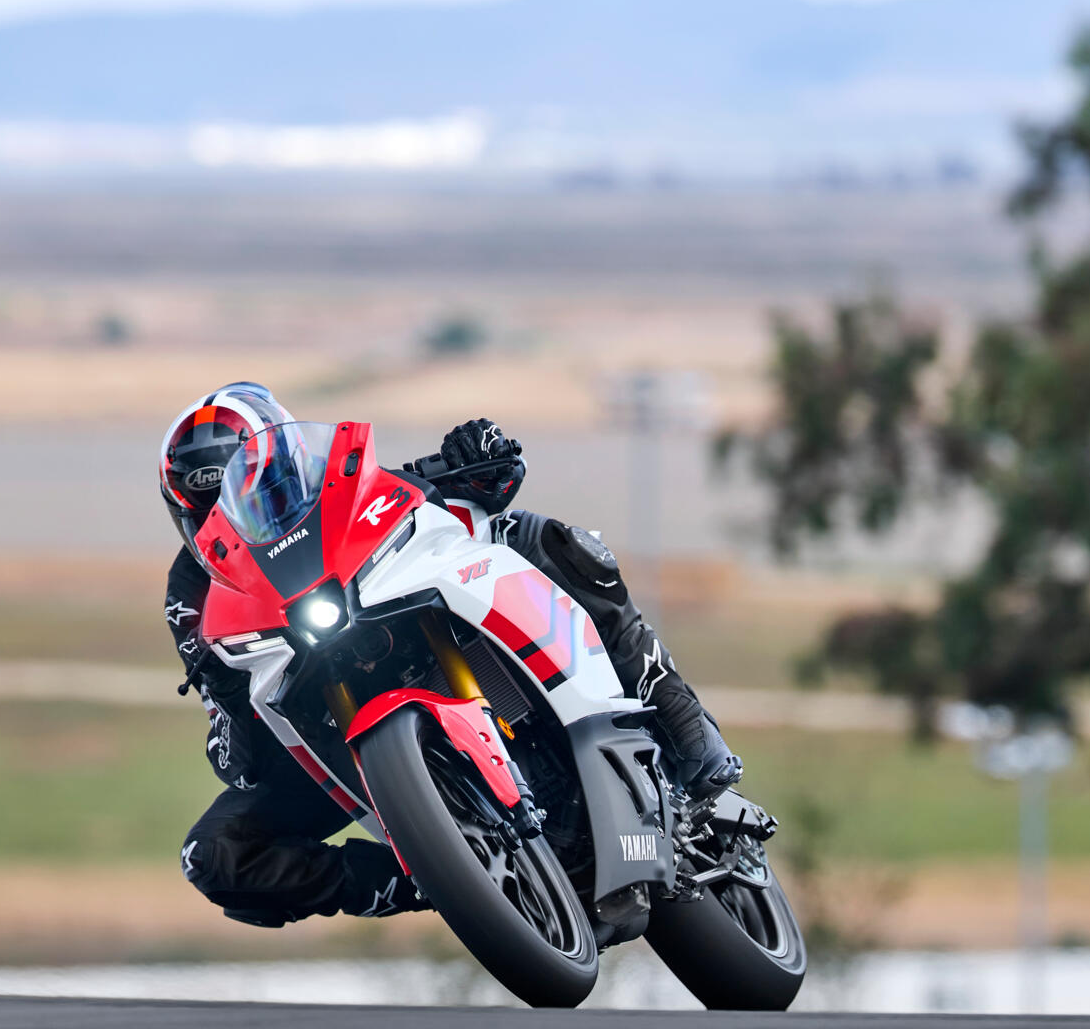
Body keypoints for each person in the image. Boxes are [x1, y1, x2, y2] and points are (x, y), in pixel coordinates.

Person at [159, 381, 740, 930]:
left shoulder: (346, 488)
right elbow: (236, 758)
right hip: (323, 717)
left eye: (246, 487)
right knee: (213, 855)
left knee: (542, 539)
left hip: (399, 618)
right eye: (209, 508)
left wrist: (477, 460)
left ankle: (685, 724)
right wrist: (228, 694)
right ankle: (433, 877)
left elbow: (472, 489)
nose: (226, 516)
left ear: (288, 464)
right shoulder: (192, 596)